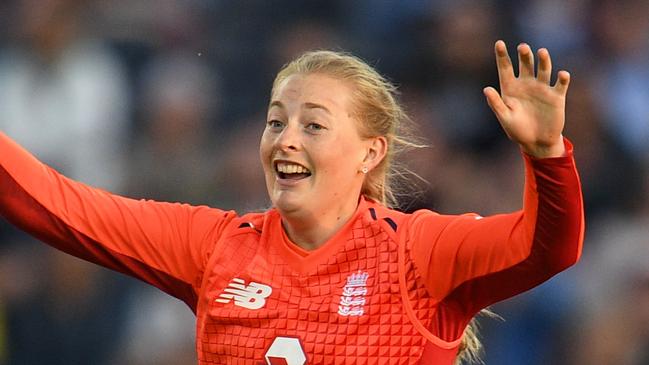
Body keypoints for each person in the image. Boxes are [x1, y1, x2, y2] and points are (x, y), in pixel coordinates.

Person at [0, 40, 583, 364]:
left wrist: (547, 156)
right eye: (275, 121)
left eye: (314, 124)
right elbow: (56, 205)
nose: (286, 139)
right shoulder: (217, 249)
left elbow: (547, 248)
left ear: (369, 153)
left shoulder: (419, 254)